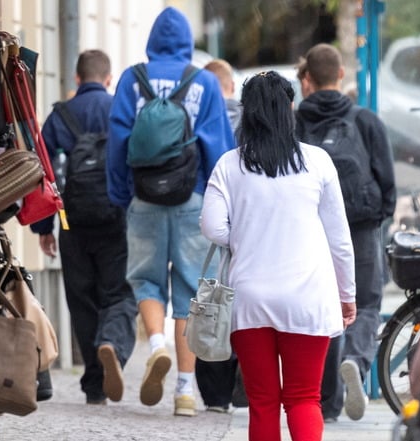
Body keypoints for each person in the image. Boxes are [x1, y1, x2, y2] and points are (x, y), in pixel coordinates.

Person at [200, 70, 357, 441]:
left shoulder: (229, 165)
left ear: (247, 113)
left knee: (263, 402)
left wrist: (244, 234)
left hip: (250, 299)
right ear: (290, 109)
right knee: (304, 398)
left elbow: (211, 227)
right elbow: (340, 240)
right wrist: (346, 296)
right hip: (308, 298)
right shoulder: (317, 162)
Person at [106, 7, 236, 417]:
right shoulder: (205, 82)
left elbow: (116, 142)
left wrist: (121, 194)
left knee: (144, 280)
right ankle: (183, 392)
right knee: (190, 292)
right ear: (185, 41)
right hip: (191, 198)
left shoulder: (131, 79)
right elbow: (220, 147)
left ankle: (156, 345)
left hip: (143, 196)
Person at [295, 43, 396, 422]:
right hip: (361, 226)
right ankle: (355, 361)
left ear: (307, 79)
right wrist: (378, 218)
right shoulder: (365, 120)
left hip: (313, 231)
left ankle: (328, 401)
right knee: (366, 303)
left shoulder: (296, 122)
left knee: (325, 309)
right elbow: (387, 179)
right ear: (340, 76)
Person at [30, 49, 137, 406]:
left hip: (71, 222)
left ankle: (94, 386)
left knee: (82, 301)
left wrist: (44, 227)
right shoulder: (120, 110)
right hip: (115, 218)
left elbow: (41, 173)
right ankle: (112, 345)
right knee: (118, 293)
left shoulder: (60, 115)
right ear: (109, 79)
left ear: (76, 79)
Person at [193, 58, 243, 414]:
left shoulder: (196, 115)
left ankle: (213, 394)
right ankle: (242, 386)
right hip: (253, 233)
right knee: (243, 310)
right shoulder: (251, 119)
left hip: (208, 222)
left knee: (211, 302)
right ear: (231, 86)